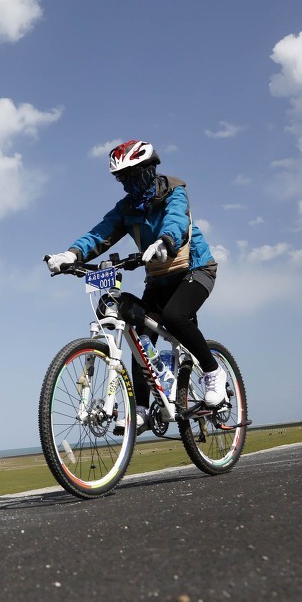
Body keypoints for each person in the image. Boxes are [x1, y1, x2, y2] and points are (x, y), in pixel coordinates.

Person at [45, 139, 226, 428]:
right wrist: (72, 254)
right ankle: (141, 407)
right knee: (139, 335)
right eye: (123, 178)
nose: (129, 183)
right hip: (158, 279)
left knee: (174, 316)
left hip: (194, 270)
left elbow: (177, 221)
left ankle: (214, 371)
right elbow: (100, 233)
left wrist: (164, 241)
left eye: (133, 174)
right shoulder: (126, 208)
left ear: (150, 169)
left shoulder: (173, 191)